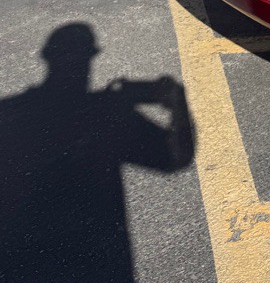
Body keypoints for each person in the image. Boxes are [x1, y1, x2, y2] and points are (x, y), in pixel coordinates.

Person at [0, 22, 194, 281]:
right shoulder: (106, 113)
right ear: (91, 58)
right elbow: (175, 157)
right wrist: (178, 103)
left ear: (47, 56)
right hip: (99, 263)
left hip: (18, 263)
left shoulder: (9, 113)